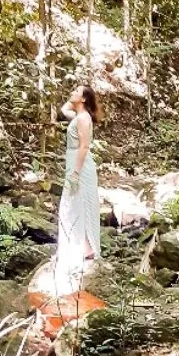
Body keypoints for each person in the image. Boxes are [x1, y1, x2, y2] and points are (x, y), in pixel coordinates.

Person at [55, 85, 101, 291]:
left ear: (83, 99)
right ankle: (84, 248)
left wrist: (75, 171)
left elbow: (84, 146)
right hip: (74, 163)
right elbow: (64, 110)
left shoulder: (83, 119)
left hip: (80, 165)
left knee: (76, 204)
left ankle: (86, 248)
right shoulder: (78, 115)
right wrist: (73, 98)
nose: (71, 92)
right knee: (74, 205)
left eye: (76, 91)